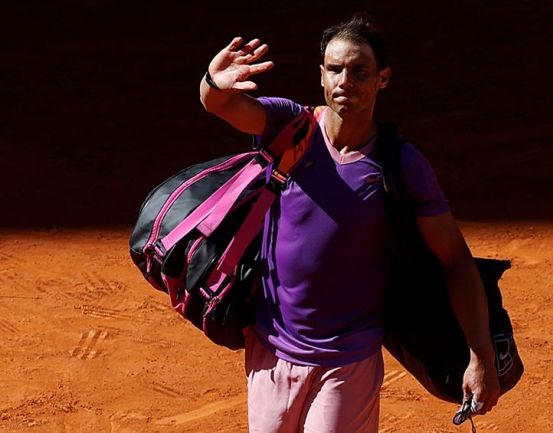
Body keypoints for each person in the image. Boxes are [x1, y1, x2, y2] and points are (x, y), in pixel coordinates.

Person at [199, 13, 500, 433]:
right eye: (336, 69)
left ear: (383, 78)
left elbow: (455, 260)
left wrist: (481, 356)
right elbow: (221, 105)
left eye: (360, 71)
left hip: (348, 359)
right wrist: (213, 84)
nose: (346, 80)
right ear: (321, 75)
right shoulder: (291, 126)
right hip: (270, 348)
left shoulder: (400, 163)